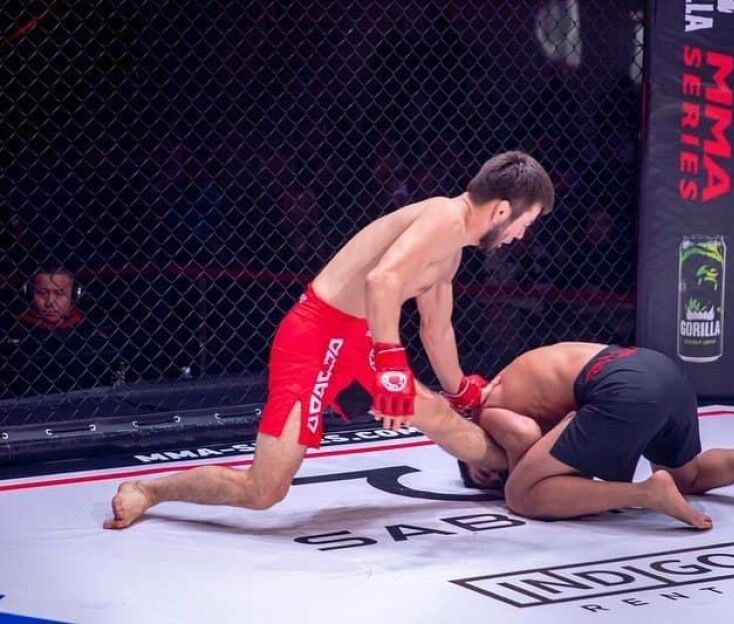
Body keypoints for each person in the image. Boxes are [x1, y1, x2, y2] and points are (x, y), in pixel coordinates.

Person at [104, 150, 555, 529]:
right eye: (526, 221)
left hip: (358, 340)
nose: (521, 235)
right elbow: (383, 280)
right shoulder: (444, 216)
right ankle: (148, 490)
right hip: (313, 339)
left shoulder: (451, 250)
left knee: (438, 414)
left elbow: (436, 329)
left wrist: (460, 391)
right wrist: (393, 368)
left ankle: (527, 470)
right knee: (264, 491)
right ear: (502, 210)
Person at [461, 343, 734, 530]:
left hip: (621, 388)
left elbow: (521, 434)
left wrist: (514, 477)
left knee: (521, 495)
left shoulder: (487, 409)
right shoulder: (523, 372)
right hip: (660, 370)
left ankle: (646, 493)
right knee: (688, 477)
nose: (493, 471)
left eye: (485, 470)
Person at [2, 265, 128, 398]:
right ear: (29, 293)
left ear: (74, 295)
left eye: (59, 293)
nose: (50, 302)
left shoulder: (92, 332)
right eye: (42, 293)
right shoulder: (10, 332)